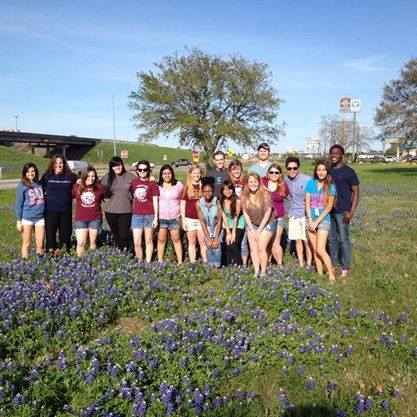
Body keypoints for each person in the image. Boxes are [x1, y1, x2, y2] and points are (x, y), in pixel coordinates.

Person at [328, 145, 360, 278]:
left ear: (342, 155)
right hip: (329, 211)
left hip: (343, 211)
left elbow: (356, 191)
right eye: (332, 153)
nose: (334, 155)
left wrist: (351, 211)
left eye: (337, 153)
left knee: (344, 239)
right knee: (331, 239)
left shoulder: (349, 171)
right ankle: (334, 264)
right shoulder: (328, 170)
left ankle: (346, 267)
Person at [305, 160, 337, 282]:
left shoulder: (331, 186)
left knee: (320, 249)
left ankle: (331, 274)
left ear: (327, 171)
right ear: (316, 171)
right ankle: (319, 274)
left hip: (323, 220)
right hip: (310, 219)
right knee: (314, 249)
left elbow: (328, 207)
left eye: (324, 170)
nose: (321, 172)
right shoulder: (310, 184)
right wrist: (310, 220)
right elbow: (307, 204)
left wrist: (316, 222)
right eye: (319, 170)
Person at [241, 173, 276, 277]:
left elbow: (268, 213)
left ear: (259, 182)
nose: (253, 184)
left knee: (261, 246)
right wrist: (252, 229)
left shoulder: (266, 193)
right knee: (253, 247)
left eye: (255, 181)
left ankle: (263, 271)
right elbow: (245, 214)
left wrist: (259, 230)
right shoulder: (243, 195)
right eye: (251, 182)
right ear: (247, 183)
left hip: (268, 222)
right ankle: (256, 271)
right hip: (252, 223)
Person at [41, 154, 76, 255]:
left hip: (65, 211)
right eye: (56, 163)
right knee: (50, 235)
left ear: (64, 164)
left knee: (65, 236)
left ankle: (65, 254)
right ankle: (50, 254)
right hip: (50, 211)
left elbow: (79, 187)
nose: (58, 165)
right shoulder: (47, 176)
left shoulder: (71, 176)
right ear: (52, 164)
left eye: (60, 163)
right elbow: (39, 189)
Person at [101, 157, 136, 251]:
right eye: (114, 166)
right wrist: (80, 182)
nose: (117, 167)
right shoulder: (106, 178)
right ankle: (121, 253)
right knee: (116, 235)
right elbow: (97, 189)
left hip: (126, 211)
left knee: (123, 235)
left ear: (122, 164)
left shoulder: (131, 177)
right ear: (111, 167)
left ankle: (121, 253)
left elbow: (142, 186)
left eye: (119, 164)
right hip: (110, 212)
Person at [284, 156, 312, 268]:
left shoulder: (307, 180)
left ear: (298, 168)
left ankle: (309, 263)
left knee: (307, 240)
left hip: (306, 214)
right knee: (298, 240)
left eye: (294, 168)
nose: (292, 171)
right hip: (293, 214)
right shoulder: (285, 179)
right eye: (289, 168)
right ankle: (301, 262)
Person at [72, 167, 106, 257]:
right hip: (80, 219)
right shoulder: (77, 186)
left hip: (95, 218)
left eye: (93, 176)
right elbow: (72, 195)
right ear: (84, 176)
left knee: (92, 243)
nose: (91, 178)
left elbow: (105, 196)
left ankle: (91, 261)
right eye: (88, 176)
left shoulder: (100, 187)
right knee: (80, 243)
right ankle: (80, 262)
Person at [130, 160, 159, 262]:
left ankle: (148, 262)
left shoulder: (152, 183)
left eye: (145, 169)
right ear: (137, 171)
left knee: (149, 240)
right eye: (140, 169)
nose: (143, 171)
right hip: (136, 215)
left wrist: (156, 218)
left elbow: (155, 200)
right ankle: (139, 261)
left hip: (149, 215)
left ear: (148, 170)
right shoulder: (133, 183)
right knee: (137, 242)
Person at [15, 162, 45, 258]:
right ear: (25, 173)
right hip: (27, 218)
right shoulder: (22, 185)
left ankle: (40, 262)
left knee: (40, 243)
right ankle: (24, 263)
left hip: (40, 218)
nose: (31, 173)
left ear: (36, 172)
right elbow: (18, 204)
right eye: (28, 171)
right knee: (26, 243)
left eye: (33, 171)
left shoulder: (40, 184)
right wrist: (18, 221)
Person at [262, 163, 289, 267]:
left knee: (275, 242)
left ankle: (280, 264)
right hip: (265, 217)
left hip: (279, 217)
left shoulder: (283, 185)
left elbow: (289, 198)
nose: (274, 174)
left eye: (276, 172)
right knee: (266, 241)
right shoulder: (262, 182)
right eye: (271, 172)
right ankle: (267, 263)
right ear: (268, 173)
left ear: (280, 174)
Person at [157, 164, 184, 264]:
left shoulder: (178, 185)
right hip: (161, 217)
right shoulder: (157, 185)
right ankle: (160, 262)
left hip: (175, 217)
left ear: (172, 174)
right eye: (164, 173)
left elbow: (183, 200)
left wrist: (181, 215)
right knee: (161, 240)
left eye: (169, 173)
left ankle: (180, 262)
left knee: (176, 240)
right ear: (161, 175)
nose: (167, 175)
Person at [181, 164, 206, 263]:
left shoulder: (203, 186)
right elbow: (182, 204)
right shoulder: (186, 187)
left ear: (201, 174)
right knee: (191, 242)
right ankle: (192, 263)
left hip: (201, 219)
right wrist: (183, 220)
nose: (196, 175)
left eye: (198, 173)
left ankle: (205, 262)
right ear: (190, 174)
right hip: (189, 218)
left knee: (202, 242)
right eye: (194, 173)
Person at [196, 178, 223, 268]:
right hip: (207, 227)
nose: (207, 193)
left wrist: (215, 238)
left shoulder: (217, 202)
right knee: (208, 245)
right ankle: (211, 266)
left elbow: (219, 221)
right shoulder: (199, 203)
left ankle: (218, 266)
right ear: (202, 192)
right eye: (205, 191)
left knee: (216, 245)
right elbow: (202, 222)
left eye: (210, 191)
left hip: (217, 226)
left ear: (213, 191)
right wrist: (208, 238)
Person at [227, 159, 249, 266]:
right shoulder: (228, 181)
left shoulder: (244, 180)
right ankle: (233, 262)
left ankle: (243, 264)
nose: (236, 172)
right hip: (231, 214)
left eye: (238, 169)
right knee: (231, 240)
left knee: (243, 242)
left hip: (243, 214)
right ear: (230, 171)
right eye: (233, 169)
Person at [220, 180, 244, 266]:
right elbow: (225, 218)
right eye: (225, 189)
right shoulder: (220, 201)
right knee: (227, 243)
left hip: (238, 224)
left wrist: (233, 233)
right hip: (227, 224)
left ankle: (239, 265)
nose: (228, 191)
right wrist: (228, 233)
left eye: (230, 189)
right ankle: (228, 264)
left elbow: (235, 217)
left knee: (234, 243)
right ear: (222, 191)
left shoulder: (237, 201)